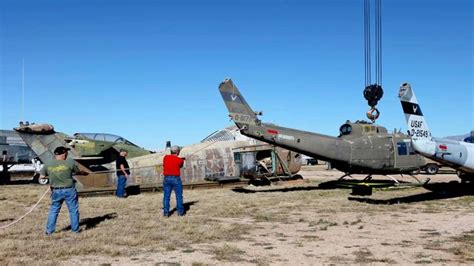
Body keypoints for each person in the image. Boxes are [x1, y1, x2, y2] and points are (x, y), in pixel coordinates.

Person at [40, 146, 80, 234]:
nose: (67, 154)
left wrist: (51, 176)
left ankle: (49, 231)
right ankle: (75, 230)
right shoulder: (70, 161)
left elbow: (42, 177)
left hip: (56, 191)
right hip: (69, 190)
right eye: (66, 153)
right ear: (64, 154)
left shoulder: (48, 164)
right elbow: (77, 171)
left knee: (54, 210)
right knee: (73, 210)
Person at [162, 145, 185, 217]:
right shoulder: (180, 160)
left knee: (166, 196)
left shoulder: (165, 158)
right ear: (178, 152)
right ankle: (180, 212)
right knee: (179, 196)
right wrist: (182, 160)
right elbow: (180, 166)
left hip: (166, 178)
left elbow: (170, 161)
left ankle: (166, 213)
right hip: (176, 179)